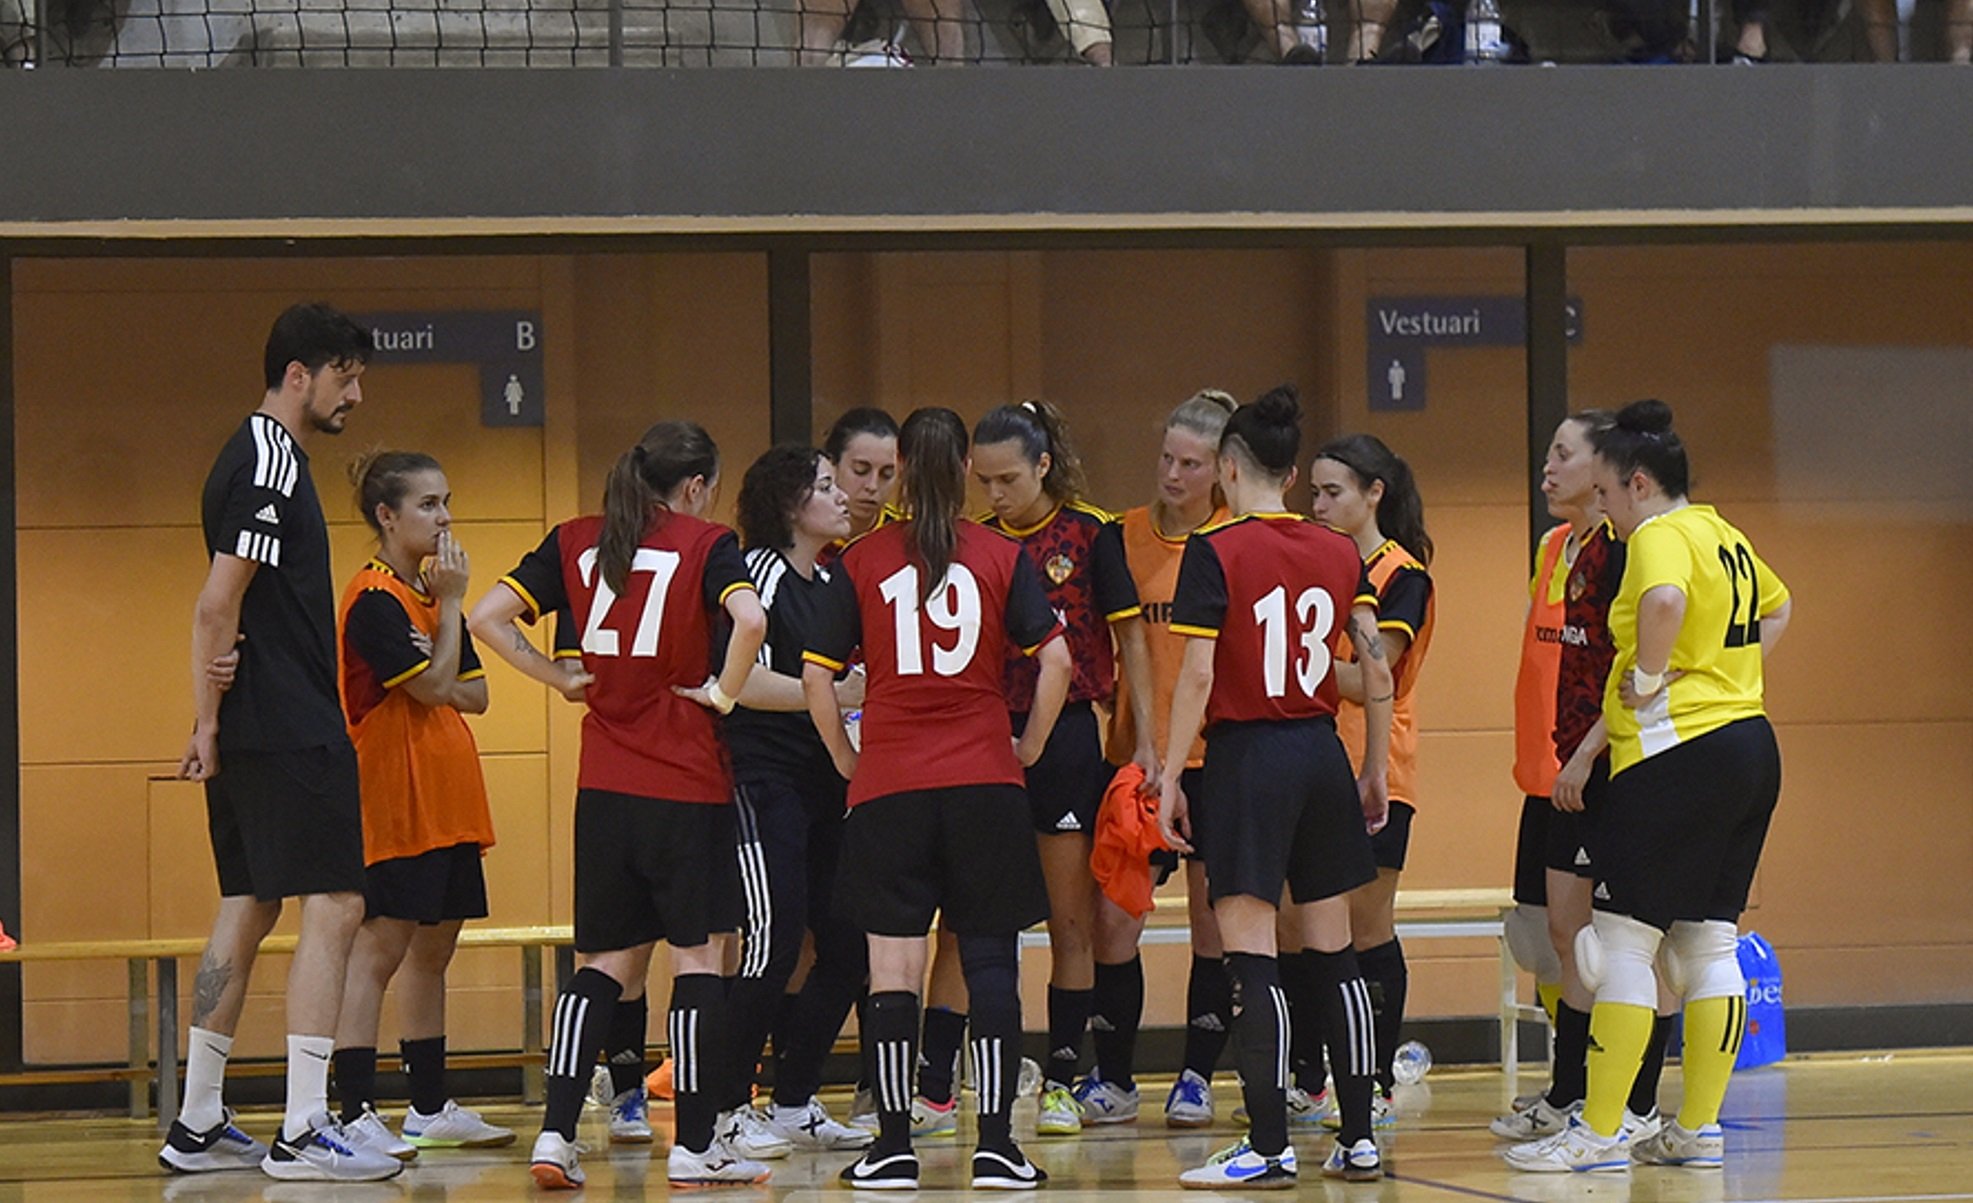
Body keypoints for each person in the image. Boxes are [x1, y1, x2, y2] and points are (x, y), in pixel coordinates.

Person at [469, 420, 772, 1191]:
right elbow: (751, 619)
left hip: (603, 783)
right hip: (685, 779)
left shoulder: (574, 537)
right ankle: (697, 1143)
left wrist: (555, 675)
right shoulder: (707, 543)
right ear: (698, 484)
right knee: (699, 956)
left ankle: (555, 1133)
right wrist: (721, 693)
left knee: (601, 963)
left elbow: (485, 617)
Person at [1507, 399, 1791, 1174]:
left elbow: (1663, 602)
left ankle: (1600, 1128)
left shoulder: (1660, 536)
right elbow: (1780, 604)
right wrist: (1722, 675)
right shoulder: (1722, 532)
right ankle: (1697, 1129)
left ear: (1636, 484)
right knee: (1707, 938)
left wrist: (1655, 675)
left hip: (1676, 754)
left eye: (1605, 494)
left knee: (1622, 942)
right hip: (1749, 743)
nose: (1600, 508)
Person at [159, 302, 403, 1184]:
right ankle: (305, 1125)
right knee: (336, 902)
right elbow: (216, 602)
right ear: (299, 374)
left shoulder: (270, 458)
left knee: (250, 902)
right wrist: (209, 720)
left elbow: (229, 614)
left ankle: (196, 1119)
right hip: (289, 720)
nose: (357, 395)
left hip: (262, 718)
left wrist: (212, 718)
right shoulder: (266, 459)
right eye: (346, 376)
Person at [805, 406, 1071, 1190]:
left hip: (890, 784)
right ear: (958, 469)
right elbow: (1054, 661)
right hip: (984, 778)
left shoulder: (860, 559)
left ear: (900, 469)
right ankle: (995, 1143)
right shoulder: (997, 551)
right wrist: (1028, 746)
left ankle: (890, 1146)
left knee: (892, 966)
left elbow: (818, 675)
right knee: (989, 959)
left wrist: (849, 758)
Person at [1156, 385, 1393, 1186]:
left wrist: (1167, 774)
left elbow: (1194, 676)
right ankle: (1359, 1133)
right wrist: (1373, 766)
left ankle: (1266, 1141)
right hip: (1320, 749)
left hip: (1247, 758)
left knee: (1250, 951)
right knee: (1335, 952)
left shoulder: (1212, 549)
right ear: (1291, 474)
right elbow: (1375, 666)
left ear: (1226, 468)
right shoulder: (1338, 549)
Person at [959, 399, 1154, 1137]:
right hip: (984, 734)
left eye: (1008, 477)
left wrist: (1142, 742)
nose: (996, 493)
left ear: (1042, 465)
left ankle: (1064, 1079)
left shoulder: (1091, 531)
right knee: (980, 915)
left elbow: (1130, 638)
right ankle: (970, 1079)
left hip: (1069, 736)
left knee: (1069, 920)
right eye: (984, 480)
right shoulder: (972, 539)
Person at [330, 452, 514, 1159]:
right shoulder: (376, 598)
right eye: (429, 505)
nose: (445, 518)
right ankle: (353, 1109)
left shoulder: (428, 598)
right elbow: (437, 687)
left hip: (449, 796)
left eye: (446, 502)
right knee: (379, 949)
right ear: (387, 515)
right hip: (395, 795)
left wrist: (444, 623)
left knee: (433, 950)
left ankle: (429, 1106)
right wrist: (456, 606)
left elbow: (476, 693)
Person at [712, 444, 874, 1154]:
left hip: (824, 783)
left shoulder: (834, 579)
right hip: (762, 779)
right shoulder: (758, 574)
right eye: (826, 486)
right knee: (771, 945)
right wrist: (830, 696)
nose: (843, 497)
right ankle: (722, 1106)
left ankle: (794, 1098)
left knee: (847, 943)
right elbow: (740, 682)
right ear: (787, 504)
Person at [1085, 390, 1238, 1128]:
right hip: (1139, 759)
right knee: (1114, 920)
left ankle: (1195, 1077)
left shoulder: (1236, 539)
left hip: (1217, 758)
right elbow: (1129, 645)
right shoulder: (1122, 536)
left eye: (1190, 463)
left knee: (1213, 925)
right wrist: (1145, 743)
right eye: (1165, 458)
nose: (1172, 474)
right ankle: (1112, 1078)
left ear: (1220, 469)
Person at [1309, 434, 1434, 1123]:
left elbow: (1369, 676)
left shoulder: (1399, 575)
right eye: (1315, 492)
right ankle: (1312, 1077)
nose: (1319, 505)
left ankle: (1376, 1080)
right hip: (1313, 761)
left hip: (1376, 765)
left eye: (1333, 492)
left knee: (1366, 925)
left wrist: (1287, 660)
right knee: (1304, 925)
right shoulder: (1317, 564)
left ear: (1372, 493)